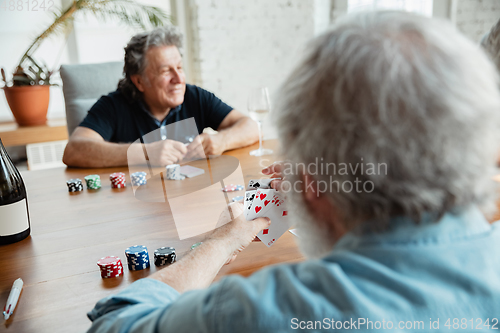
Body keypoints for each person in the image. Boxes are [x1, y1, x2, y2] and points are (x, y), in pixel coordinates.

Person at [86, 11, 500, 332]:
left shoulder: (277, 309)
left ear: (312, 186)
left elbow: (115, 321)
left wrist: (220, 241)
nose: (178, 77)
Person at [62, 26, 258, 168]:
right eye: (166, 71)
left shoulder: (195, 96)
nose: (179, 79)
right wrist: (145, 153)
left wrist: (221, 141)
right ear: (139, 82)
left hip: (190, 203)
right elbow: (74, 150)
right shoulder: (112, 105)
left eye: (179, 68)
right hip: (135, 211)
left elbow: (251, 127)